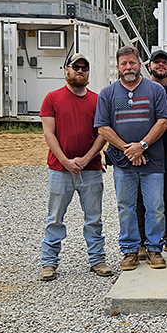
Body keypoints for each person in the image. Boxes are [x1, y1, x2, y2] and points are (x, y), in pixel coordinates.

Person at [95, 46, 167, 271]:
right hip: (122, 161)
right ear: (117, 67)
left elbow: (163, 121)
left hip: (153, 161)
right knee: (126, 207)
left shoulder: (155, 90)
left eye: (132, 63)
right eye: (123, 64)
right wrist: (128, 149)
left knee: (155, 207)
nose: (128, 67)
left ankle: (155, 249)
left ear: (140, 64)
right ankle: (130, 250)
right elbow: (102, 127)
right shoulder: (108, 94)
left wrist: (142, 146)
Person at [38, 53, 110, 281]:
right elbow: (49, 134)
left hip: (91, 170)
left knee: (94, 218)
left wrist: (87, 159)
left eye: (84, 68)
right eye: (75, 67)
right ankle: (49, 263)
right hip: (60, 170)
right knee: (55, 217)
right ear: (66, 70)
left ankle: (97, 259)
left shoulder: (98, 100)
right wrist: (66, 162)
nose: (80, 71)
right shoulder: (52, 98)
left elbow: (103, 133)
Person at [133, 50, 167, 260]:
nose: (160, 65)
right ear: (149, 66)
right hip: (146, 152)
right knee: (142, 200)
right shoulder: (141, 90)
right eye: (157, 62)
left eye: (165, 62)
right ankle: (143, 242)